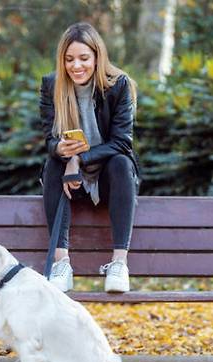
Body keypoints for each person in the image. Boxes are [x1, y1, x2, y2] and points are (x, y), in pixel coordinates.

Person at [39, 22, 139, 293]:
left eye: (84, 58)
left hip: (110, 177)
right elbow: (49, 139)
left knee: (121, 162)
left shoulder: (118, 85)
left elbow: (122, 142)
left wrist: (79, 159)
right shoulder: (51, 86)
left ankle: (119, 265)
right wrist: (60, 151)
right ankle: (61, 264)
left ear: (97, 57)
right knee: (51, 165)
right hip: (71, 182)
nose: (76, 66)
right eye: (69, 59)